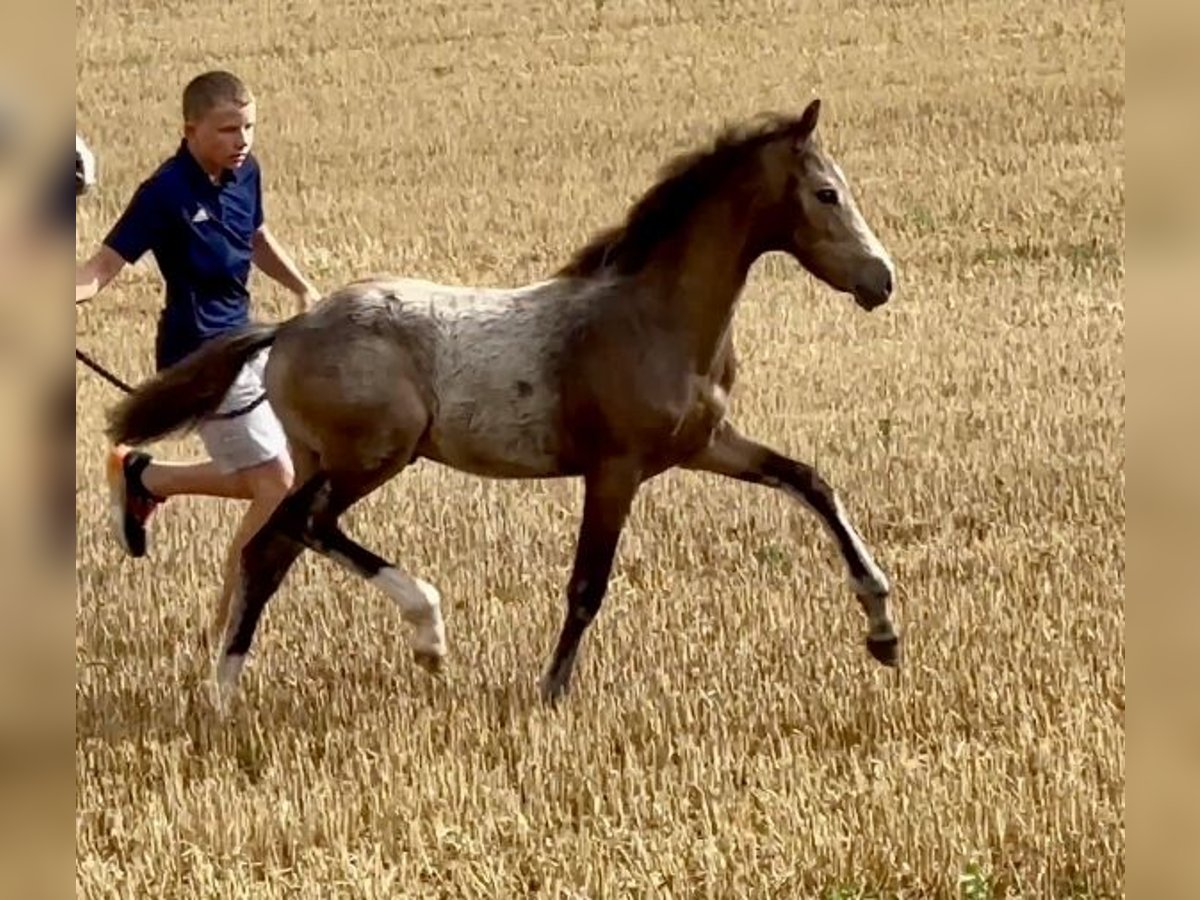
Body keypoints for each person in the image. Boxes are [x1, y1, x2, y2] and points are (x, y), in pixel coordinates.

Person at [74, 70, 321, 647]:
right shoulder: (164, 193)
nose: (243, 139)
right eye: (228, 128)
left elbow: (254, 236)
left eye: (249, 127)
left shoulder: (245, 174)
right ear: (191, 130)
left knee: (281, 470)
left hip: (246, 342)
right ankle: (228, 628)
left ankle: (147, 478)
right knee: (277, 482)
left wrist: (302, 288)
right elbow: (99, 270)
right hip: (197, 359)